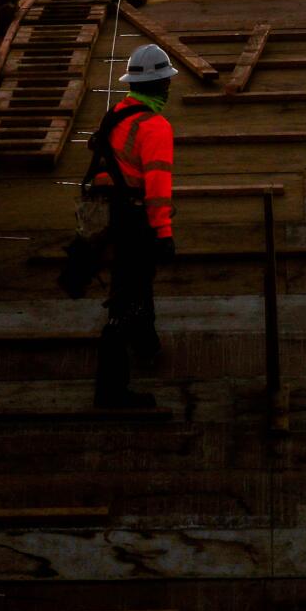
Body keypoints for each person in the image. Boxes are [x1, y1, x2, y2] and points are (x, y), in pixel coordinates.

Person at [90, 42, 177, 409]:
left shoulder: (118, 114)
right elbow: (157, 185)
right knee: (128, 296)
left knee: (137, 284)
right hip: (137, 217)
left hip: (114, 212)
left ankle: (146, 343)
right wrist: (163, 233)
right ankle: (111, 389)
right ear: (161, 86)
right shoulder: (154, 126)